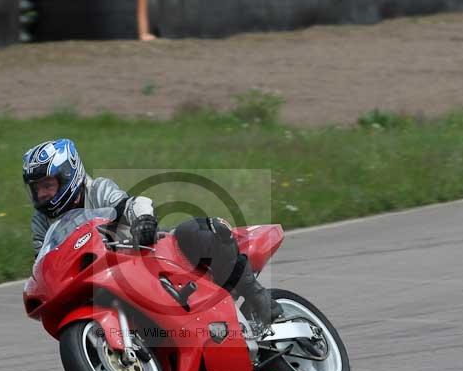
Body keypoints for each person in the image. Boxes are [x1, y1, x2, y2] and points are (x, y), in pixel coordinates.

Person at [22, 138, 282, 326]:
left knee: (195, 231)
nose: (42, 194)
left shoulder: (97, 190)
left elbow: (133, 203)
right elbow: (44, 260)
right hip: (98, 278)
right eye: (37, 188)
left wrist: (143, 221)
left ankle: (259, 299)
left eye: (48, 185)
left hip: (140, 253)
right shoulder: (41, 221)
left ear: (68, 176)